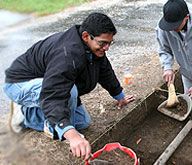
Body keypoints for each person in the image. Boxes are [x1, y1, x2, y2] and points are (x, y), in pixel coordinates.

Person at [3, 13, 136, 160]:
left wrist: (119, 96)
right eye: (103, 43)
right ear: (86, 36)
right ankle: (23, 110)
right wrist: (71, 135)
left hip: (48, 83)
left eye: (110, 43)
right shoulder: (66, 55)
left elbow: (105, 72)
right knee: (67, 109)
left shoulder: (93, 49)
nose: (107, 48)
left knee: (82, 122)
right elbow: (54, 95)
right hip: (20, 83)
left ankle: (30, 116)